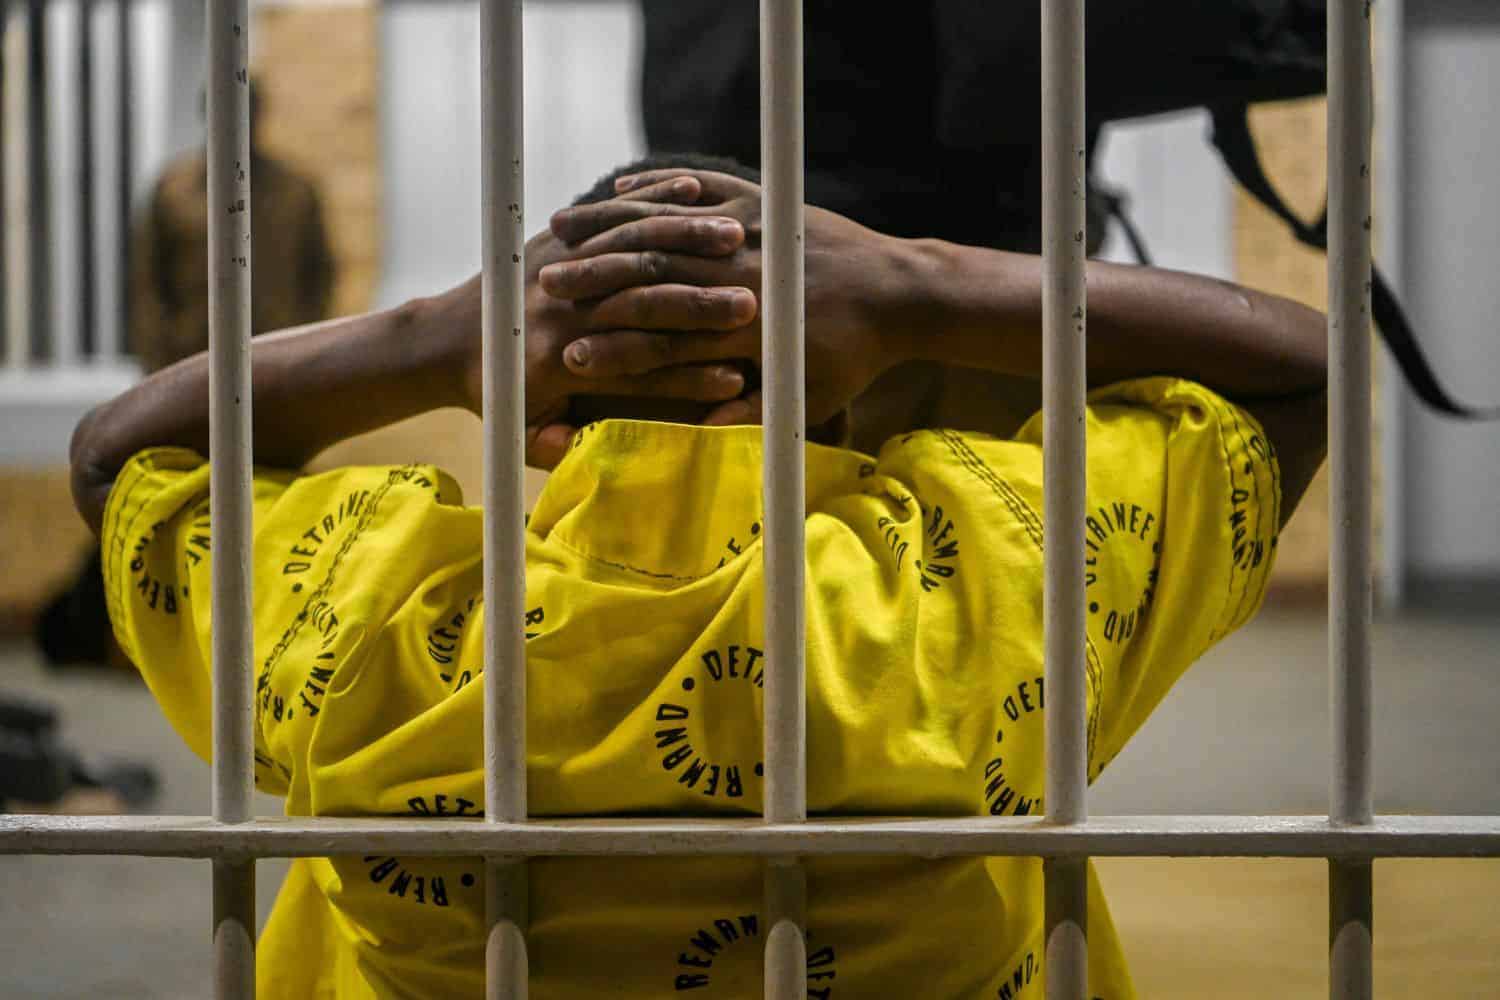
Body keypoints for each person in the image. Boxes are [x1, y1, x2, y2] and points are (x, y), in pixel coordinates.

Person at [69, 156, 1325, 997]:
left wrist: (440, 334)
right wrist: (915, 286)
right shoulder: (982, 576)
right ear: (844, 390)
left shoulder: (370, 610)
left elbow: (120, 459)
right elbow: (1302, 372)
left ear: (544, 422)